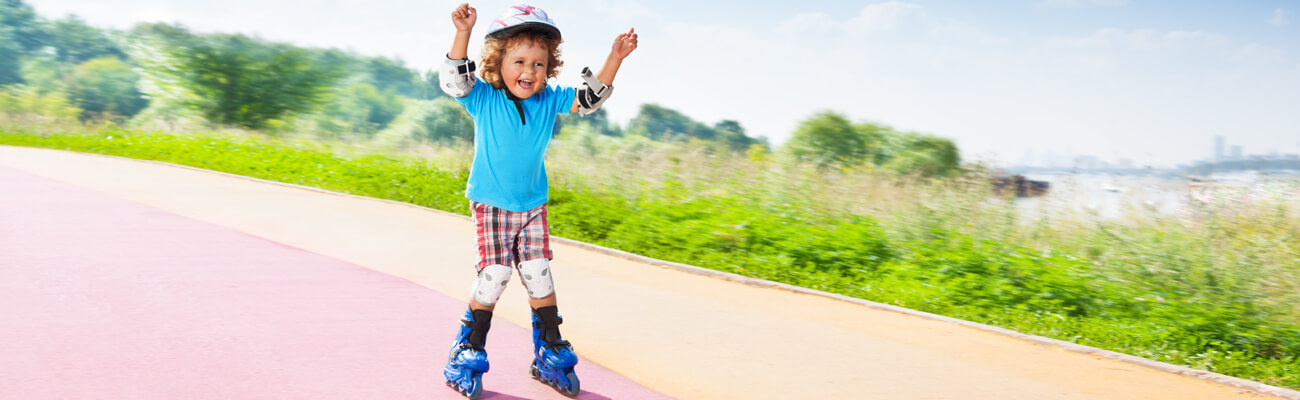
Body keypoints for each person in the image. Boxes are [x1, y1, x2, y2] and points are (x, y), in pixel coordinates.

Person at [438, 3, 637, 399]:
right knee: (495, 276)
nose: (529, 72)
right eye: (519, 62)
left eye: (539, 64)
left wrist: (614, 59)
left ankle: (547, 348)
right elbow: (454, 81)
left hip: (532, 206)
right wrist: (463, 33)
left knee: (538, 272)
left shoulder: (548, 99)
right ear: (497, 63)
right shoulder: (483, 97)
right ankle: (467, 347)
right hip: (492, 204)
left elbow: (589, 99)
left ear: (549, 68)